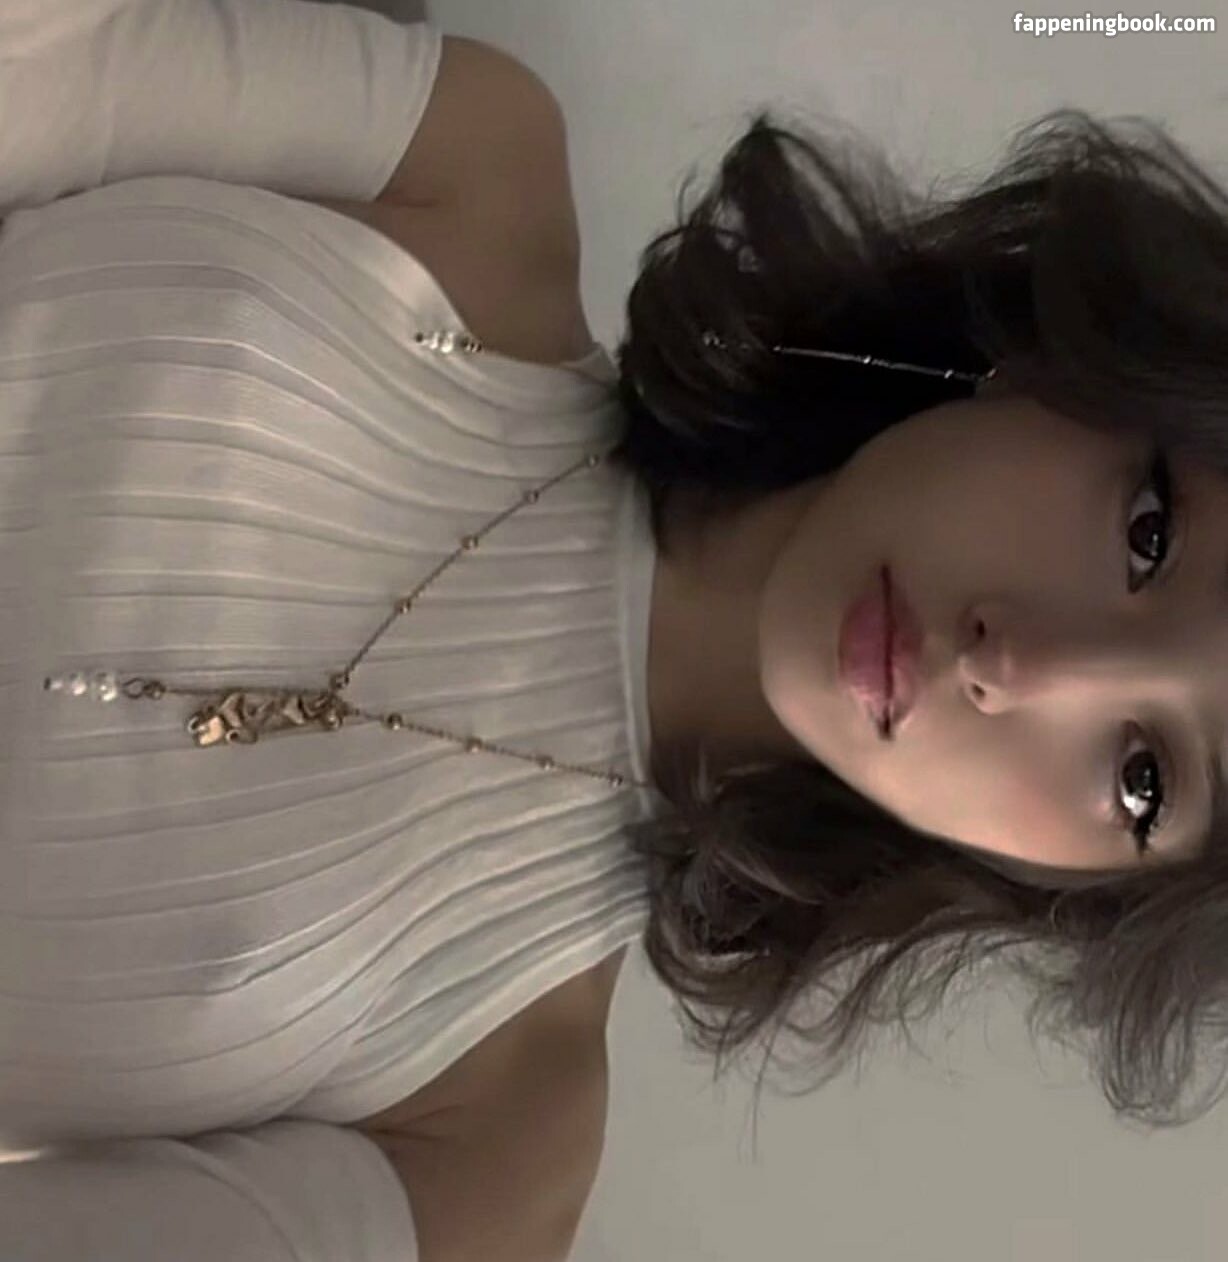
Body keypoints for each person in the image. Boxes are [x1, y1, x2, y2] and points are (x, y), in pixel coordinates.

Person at [3, 0, 1228, 1258]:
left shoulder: (482, 1152)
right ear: (1070, 368)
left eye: (1144, 780)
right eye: (1148, 532)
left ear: (1079, 890)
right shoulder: (466, 164)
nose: (1014, 662)